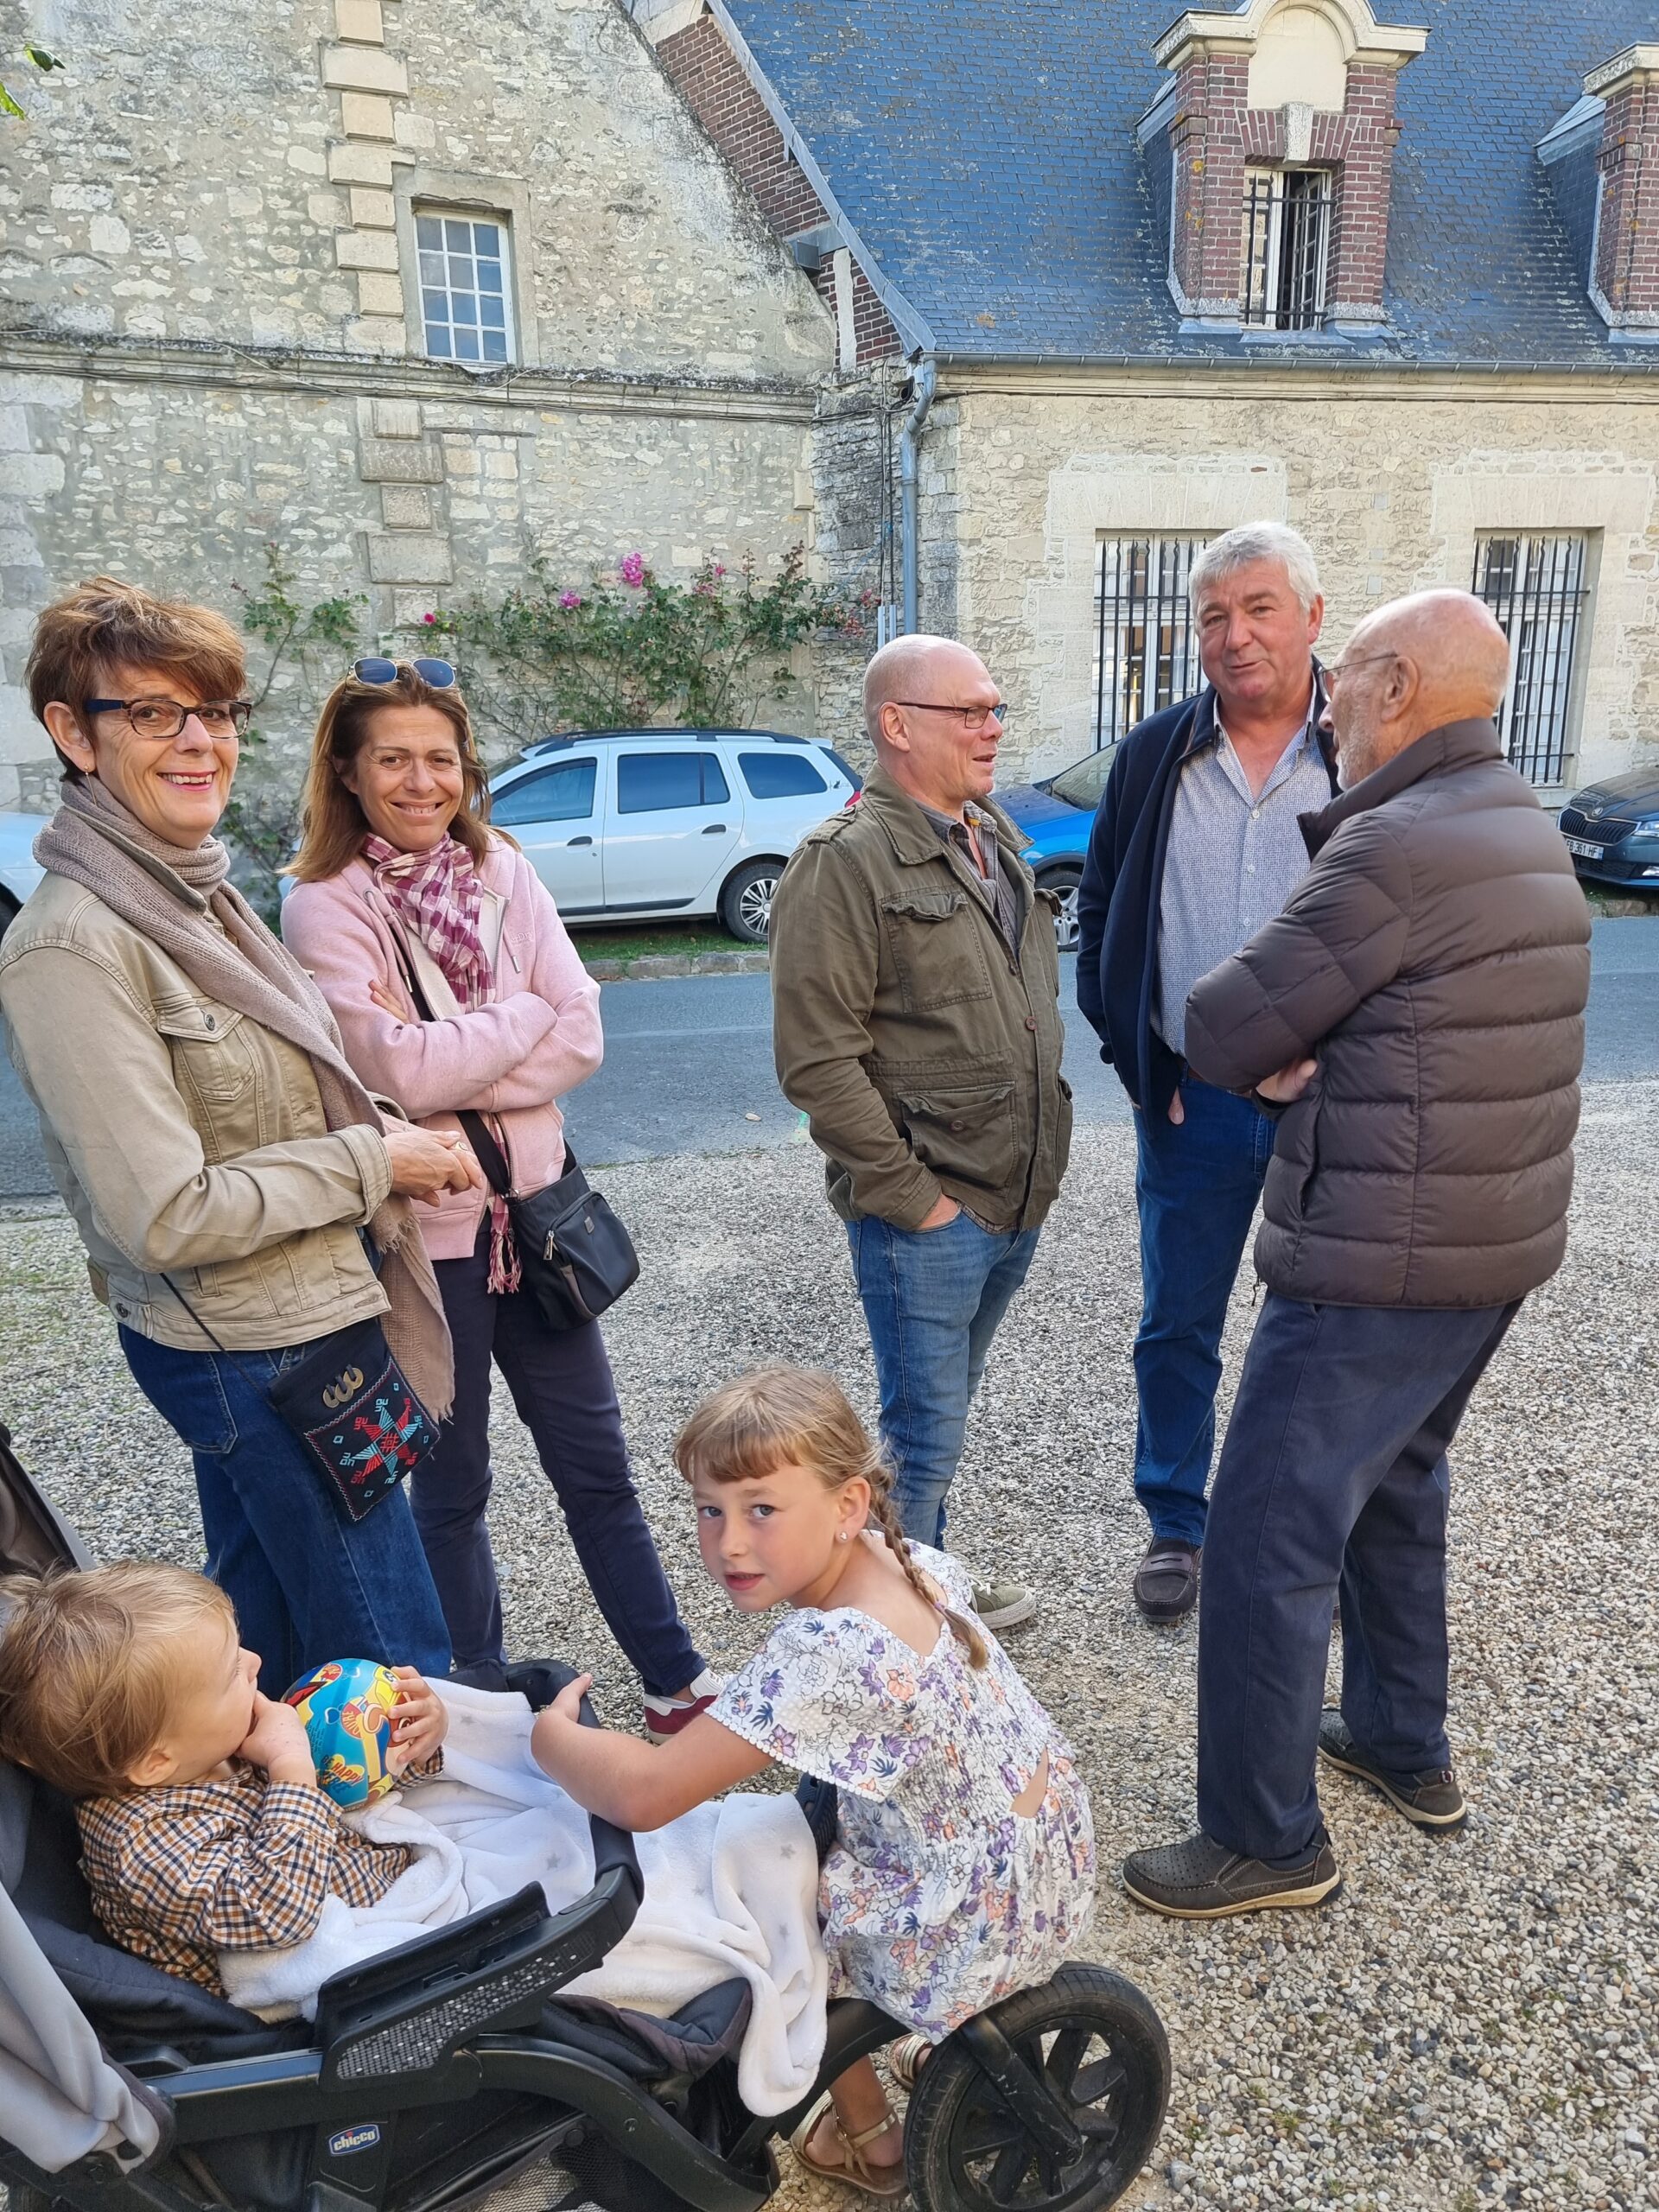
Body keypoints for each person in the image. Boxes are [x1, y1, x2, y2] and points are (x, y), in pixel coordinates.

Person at [1122, 589, 1591, 1919]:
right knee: (1398, 1486)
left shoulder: (1395, 844)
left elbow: (1223, 1026)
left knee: (1269, 1534)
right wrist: (1323, 1048)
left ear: (1395, 687)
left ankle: (1264, 1839)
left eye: (1343, 683)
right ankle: (1399, 1739)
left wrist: (1288, 1064)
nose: (1327, 705)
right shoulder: (1518, 820)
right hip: (1488, 1243)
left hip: (1377, 1249)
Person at [0, 580, 481, 1694]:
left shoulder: (194, 897)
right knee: (394, 1669)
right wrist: (376, 1160)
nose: (199, 741)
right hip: (252, 1349)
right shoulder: (73, 945)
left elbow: (276, 1096)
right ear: (73, 733)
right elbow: (161, 1213)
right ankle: (404, 1814)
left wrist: (373, 1126)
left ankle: (273, 1802)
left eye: (216, 712)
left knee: (263, 1641)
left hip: (305, 1317)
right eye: (153, 713)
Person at [282, 660, 716, 1741]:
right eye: (393, 758)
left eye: (440, 758)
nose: (421, 781)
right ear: (347, 771)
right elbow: (392, 1067)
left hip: (540, 1222)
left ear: (465, 769)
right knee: (452, 1487)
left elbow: (584, 1030)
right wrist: (520, 1015)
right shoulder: (323, 905)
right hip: (431, 1244)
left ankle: (676, 1682)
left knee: (598, 1470)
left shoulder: (502, 869)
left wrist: (465, 1047)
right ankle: (470, 1704)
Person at [531, 1366, 1094, 2196]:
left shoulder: (833, 1654)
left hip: (967, 1912)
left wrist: (551, 1739)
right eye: (710, 1510)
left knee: (778, 1920)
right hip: (1035, 1848)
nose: (729, 1543)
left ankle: (870, 2136)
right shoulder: (904, 1559)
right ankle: (926, 2041)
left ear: (847, 1506)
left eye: (761, 1509)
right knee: (778, 1845)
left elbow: (645, 1794)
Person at [768, 635, 1072, 1630]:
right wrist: (917, 1200)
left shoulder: (989, 836)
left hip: (1012, 1195)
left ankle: (920, 1579)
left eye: (995, 710)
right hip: (933, 1212)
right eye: (969, 712)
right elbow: (817, 1061)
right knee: (921, 1439)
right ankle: (899, 1629)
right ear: (897, 725)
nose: (993, 729)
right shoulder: (843, 862)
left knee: (941, 1419)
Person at [1075, 523, 1338, 1625]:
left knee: (1327, 1329)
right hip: (1193, 1105)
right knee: (1178, 1324)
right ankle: (1177, 1524)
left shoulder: (1367, 751)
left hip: (1335, 1110)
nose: (1236, 636)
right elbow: (1100, 921)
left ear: (1312, 616)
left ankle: (1305, 1532)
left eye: (1260, 608)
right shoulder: (1154, 757)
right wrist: (1142, 1066)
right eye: (1214, 616)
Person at [0, 1560, 447, 1994]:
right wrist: (290, 1767)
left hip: (382, 1884)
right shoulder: (144, 1848)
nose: (255, 1662)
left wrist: (410, 1744)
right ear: (155, 1763)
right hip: (345, 1961)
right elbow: (279, 1912)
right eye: (231, 1671)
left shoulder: (206, 1742)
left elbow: (340, 1782)